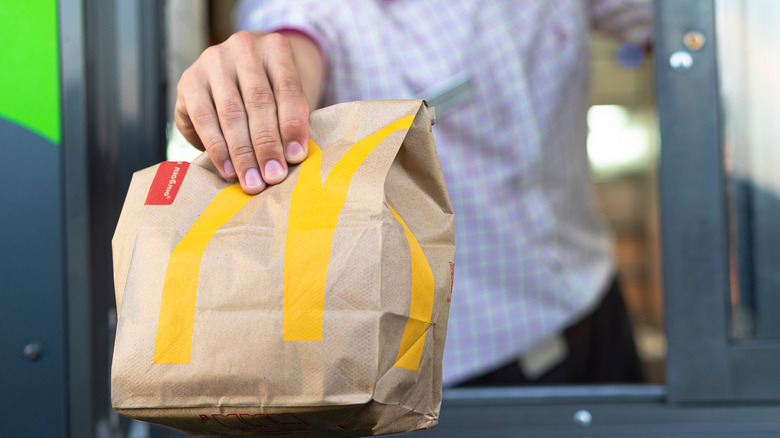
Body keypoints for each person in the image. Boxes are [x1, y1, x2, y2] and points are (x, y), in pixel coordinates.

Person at [174, 0, 651, 387]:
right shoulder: (319, 12)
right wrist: (254, 73)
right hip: (462, 378)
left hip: (598, 311)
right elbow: (287, 45)